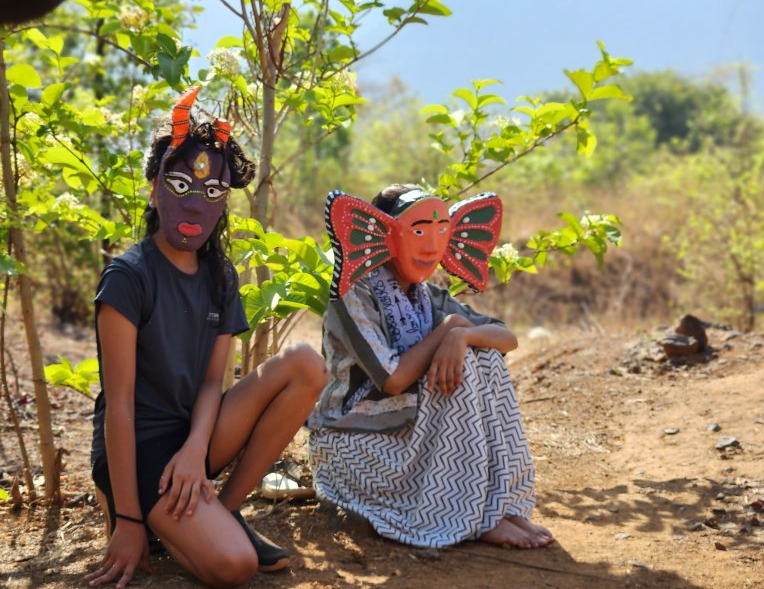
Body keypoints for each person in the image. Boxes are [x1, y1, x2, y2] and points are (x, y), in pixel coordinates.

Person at [85, 87, 327, 589]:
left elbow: (214, 381)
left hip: (194, 435)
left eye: (213, 192)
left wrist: (196, 449)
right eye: (180, 184)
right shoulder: (127, 278)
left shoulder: (221, 275)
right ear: (154, 188)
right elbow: (121, 405)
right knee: (235, 567)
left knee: (306, 363)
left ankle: (224, 510)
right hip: (141, 445)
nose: (197, 202)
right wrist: (129, 521)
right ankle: (147, 518)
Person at [307, 184, 554, 549]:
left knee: (483, 356)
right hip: (357, 447)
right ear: (382, 235)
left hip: (411, 435)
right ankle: (473, 516)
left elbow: (506, 337)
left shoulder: (429, 296)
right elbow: (392, 380)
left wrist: (460, 335)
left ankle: (497, 506)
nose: (432, 245)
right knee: (467, 360)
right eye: (419, 231)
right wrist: (449, 330)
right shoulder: (353, 294)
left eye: (442, 231)